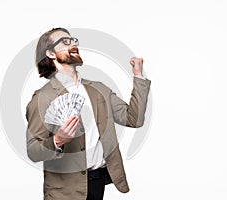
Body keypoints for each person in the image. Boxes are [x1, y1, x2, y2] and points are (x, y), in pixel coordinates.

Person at [26, 27, 151, 200]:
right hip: (64, 191)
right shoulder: (42, 98)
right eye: (65, 42)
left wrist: (139, 77)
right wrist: (58, 140)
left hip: (97, 184)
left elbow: (133, 119)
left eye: (73, 40)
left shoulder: (99, 89)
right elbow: (33, 151)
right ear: (51, 53)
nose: (73, 44)